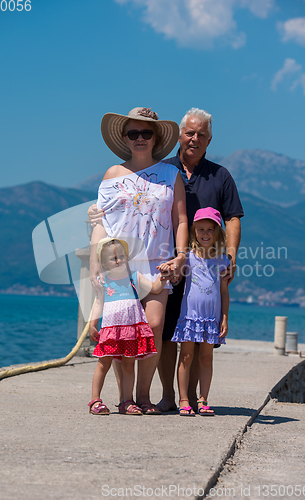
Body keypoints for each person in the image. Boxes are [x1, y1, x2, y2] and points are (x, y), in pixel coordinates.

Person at [89, 107, 188, 415]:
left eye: (146, 133)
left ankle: (144, 396)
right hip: (118, 266)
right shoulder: (111, 175)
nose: (140, 138)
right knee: (122, 331)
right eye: (134, 133)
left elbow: (181, 220)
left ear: (156, 138)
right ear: (125, 138)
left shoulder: (172, 175)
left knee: (155, 325)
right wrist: (95, 265)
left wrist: (181, 256)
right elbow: (100, 224)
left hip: (158, 263)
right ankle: (125, 398)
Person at [157, 108, 244, 412]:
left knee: (196, 339)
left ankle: (192, 398)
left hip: (206, 272)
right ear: (179, 134)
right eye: (189, 132)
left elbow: (233, 218)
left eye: (201, 134)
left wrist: (230, 256)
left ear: (209, 140)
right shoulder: (163, 169)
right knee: (167, 334)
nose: (194, 138)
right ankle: (170, 396)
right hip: (168, 265)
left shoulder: (220, 176)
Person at [160, 207, 229, 416]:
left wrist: (225, 318)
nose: (205, 234)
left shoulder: (223, 260)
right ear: (194, 232)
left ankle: (203, 399)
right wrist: (169, 270)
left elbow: (224, 292)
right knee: (187, 356)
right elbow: (177, 276)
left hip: (211, 319)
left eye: (210, 230)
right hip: (190, 317)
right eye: (201, 230)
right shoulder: (188, 257)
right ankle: (183, 399)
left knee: (206, 358)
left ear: (217, 232)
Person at [88, 238, 166, 415]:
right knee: (103, 362)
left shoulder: (134, 278)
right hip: (110, 331)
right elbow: (98, 303)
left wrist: (163, 276)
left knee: (129, 365)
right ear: (104, 263)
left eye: (121, 256)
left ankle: (126, 401)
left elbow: (155, 288)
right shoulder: (103, 281)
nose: (118, 260)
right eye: (113, 258)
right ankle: (95, 400)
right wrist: (93, 324)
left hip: (131, 332)